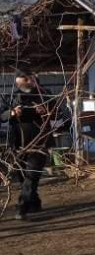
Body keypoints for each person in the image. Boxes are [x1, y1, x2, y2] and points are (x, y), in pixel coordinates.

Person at [0, 71, 54, 220]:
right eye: (19, 82)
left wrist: (45, 111)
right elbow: (1, 115)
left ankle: (22, 207)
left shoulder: (44, 95)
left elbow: (57, 114)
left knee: (31, 175)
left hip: (39, 142)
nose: (22, 83)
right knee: (24, 177)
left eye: (26, 79)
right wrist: (12, 113)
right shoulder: (11, 96)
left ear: (32, 79)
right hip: (18, 143)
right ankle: (35, 203)